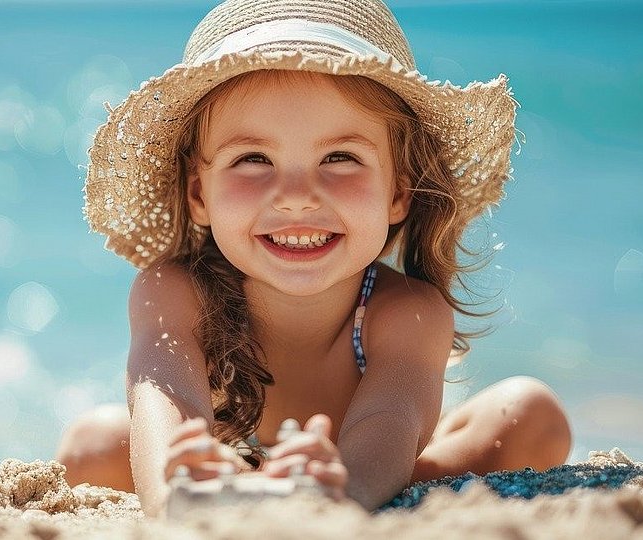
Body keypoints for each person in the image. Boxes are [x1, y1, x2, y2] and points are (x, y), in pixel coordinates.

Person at [57, 0, 572, 517]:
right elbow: (171, 406)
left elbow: (388, 422)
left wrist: (337, 488)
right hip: (225, 459)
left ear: (399, 191)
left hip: (362, 466)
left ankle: (376, 487)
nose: (297, 196)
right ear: (198, 194)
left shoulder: (405, 312)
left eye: (340, 158)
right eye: (253, 159)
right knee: (92, 444)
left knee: (530, 414)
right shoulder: (175, 292)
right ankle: (240, 482)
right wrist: (179, 487)